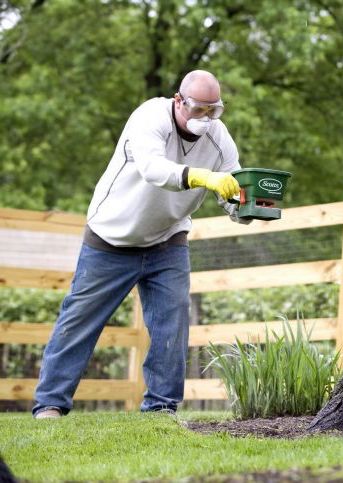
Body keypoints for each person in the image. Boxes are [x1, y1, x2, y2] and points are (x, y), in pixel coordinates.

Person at [32, 70, 249, 419]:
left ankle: (160, 409)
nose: (206, 119)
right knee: (79, 323)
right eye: (198, 109)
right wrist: (202, 177)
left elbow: (233, 187)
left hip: (168, 238)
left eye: (214, 110)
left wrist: (246, 208)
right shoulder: (149, 117)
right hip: (112, 237)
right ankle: (50, 405)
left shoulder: (219, 139)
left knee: (172, 324)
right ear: (179, 101)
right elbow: (153, 169)